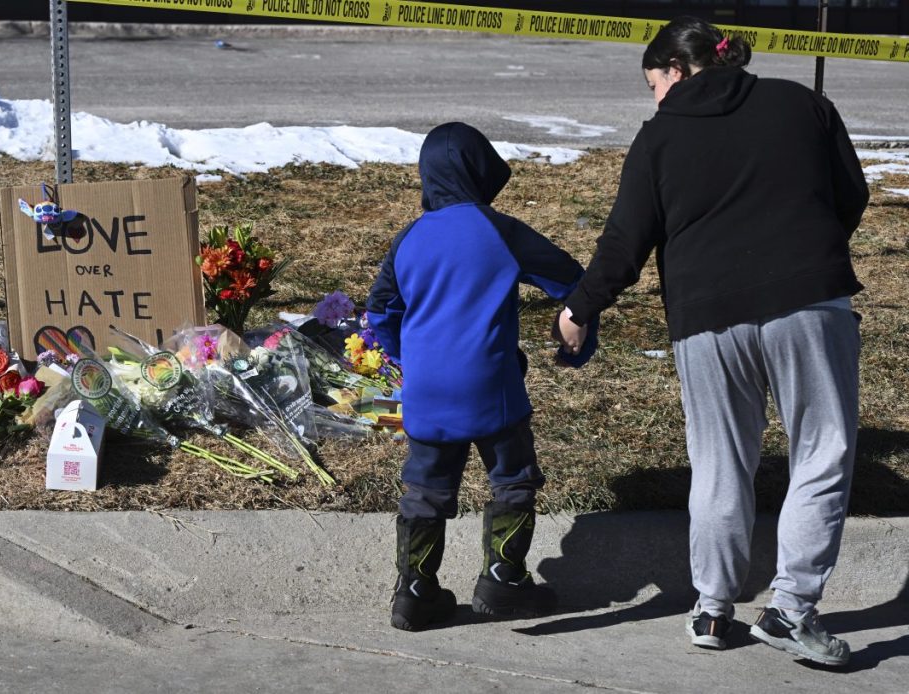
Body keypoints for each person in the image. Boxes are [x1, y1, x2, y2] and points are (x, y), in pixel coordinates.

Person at [554, 16, 868, 667]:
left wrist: (580, 308)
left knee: (720, 459)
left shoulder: (660, 136)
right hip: (808, 301)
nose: (654, 98)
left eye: (653, 83)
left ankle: (712, 607)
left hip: (704, 317)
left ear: (678, 67)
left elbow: (625, 241)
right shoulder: (801, 103)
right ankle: (789, 608)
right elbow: (853, 194)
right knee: (822, 450)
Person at [367, 121, 593, 631]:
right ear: (479, 170)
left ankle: (415, 593)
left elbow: (380, 309)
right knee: (512, 477)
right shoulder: (500, 230)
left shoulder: (409, 239)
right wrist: (578, 343)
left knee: (424, 488)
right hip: (492, 386)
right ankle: (503, 580)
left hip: (427, 392)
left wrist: (410, 358)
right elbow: (572, 280)